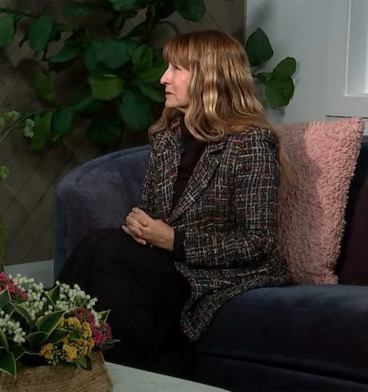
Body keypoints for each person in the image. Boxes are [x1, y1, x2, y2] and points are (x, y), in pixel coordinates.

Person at [56, 30, 293, 380]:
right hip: (167, 261)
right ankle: (57, 360)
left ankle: (86, 366)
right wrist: (140, 227)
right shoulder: (167, 138)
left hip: (223, 271)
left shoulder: (251, 143)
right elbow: (153, 214)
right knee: (99, 246)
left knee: (106, 253)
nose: (163, 78)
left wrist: (173, 240)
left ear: (208, 77)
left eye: (176, 69)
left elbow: (258, 241)